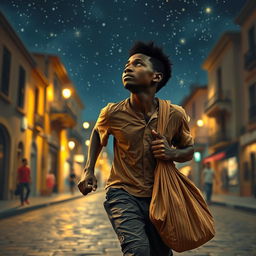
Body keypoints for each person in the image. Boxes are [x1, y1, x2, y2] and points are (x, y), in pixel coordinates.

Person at [78, 41, 194, 256]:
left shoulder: (175, 115)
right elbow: (96, 132)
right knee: (138, 250)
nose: (127, 68)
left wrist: (171, 154)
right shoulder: (112, 112)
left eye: (137, 64)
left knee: (160, 253)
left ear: (156, 77)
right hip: (122, 193)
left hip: (160, 197)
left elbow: (189, 150)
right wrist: (88, 170)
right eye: (126, 65)